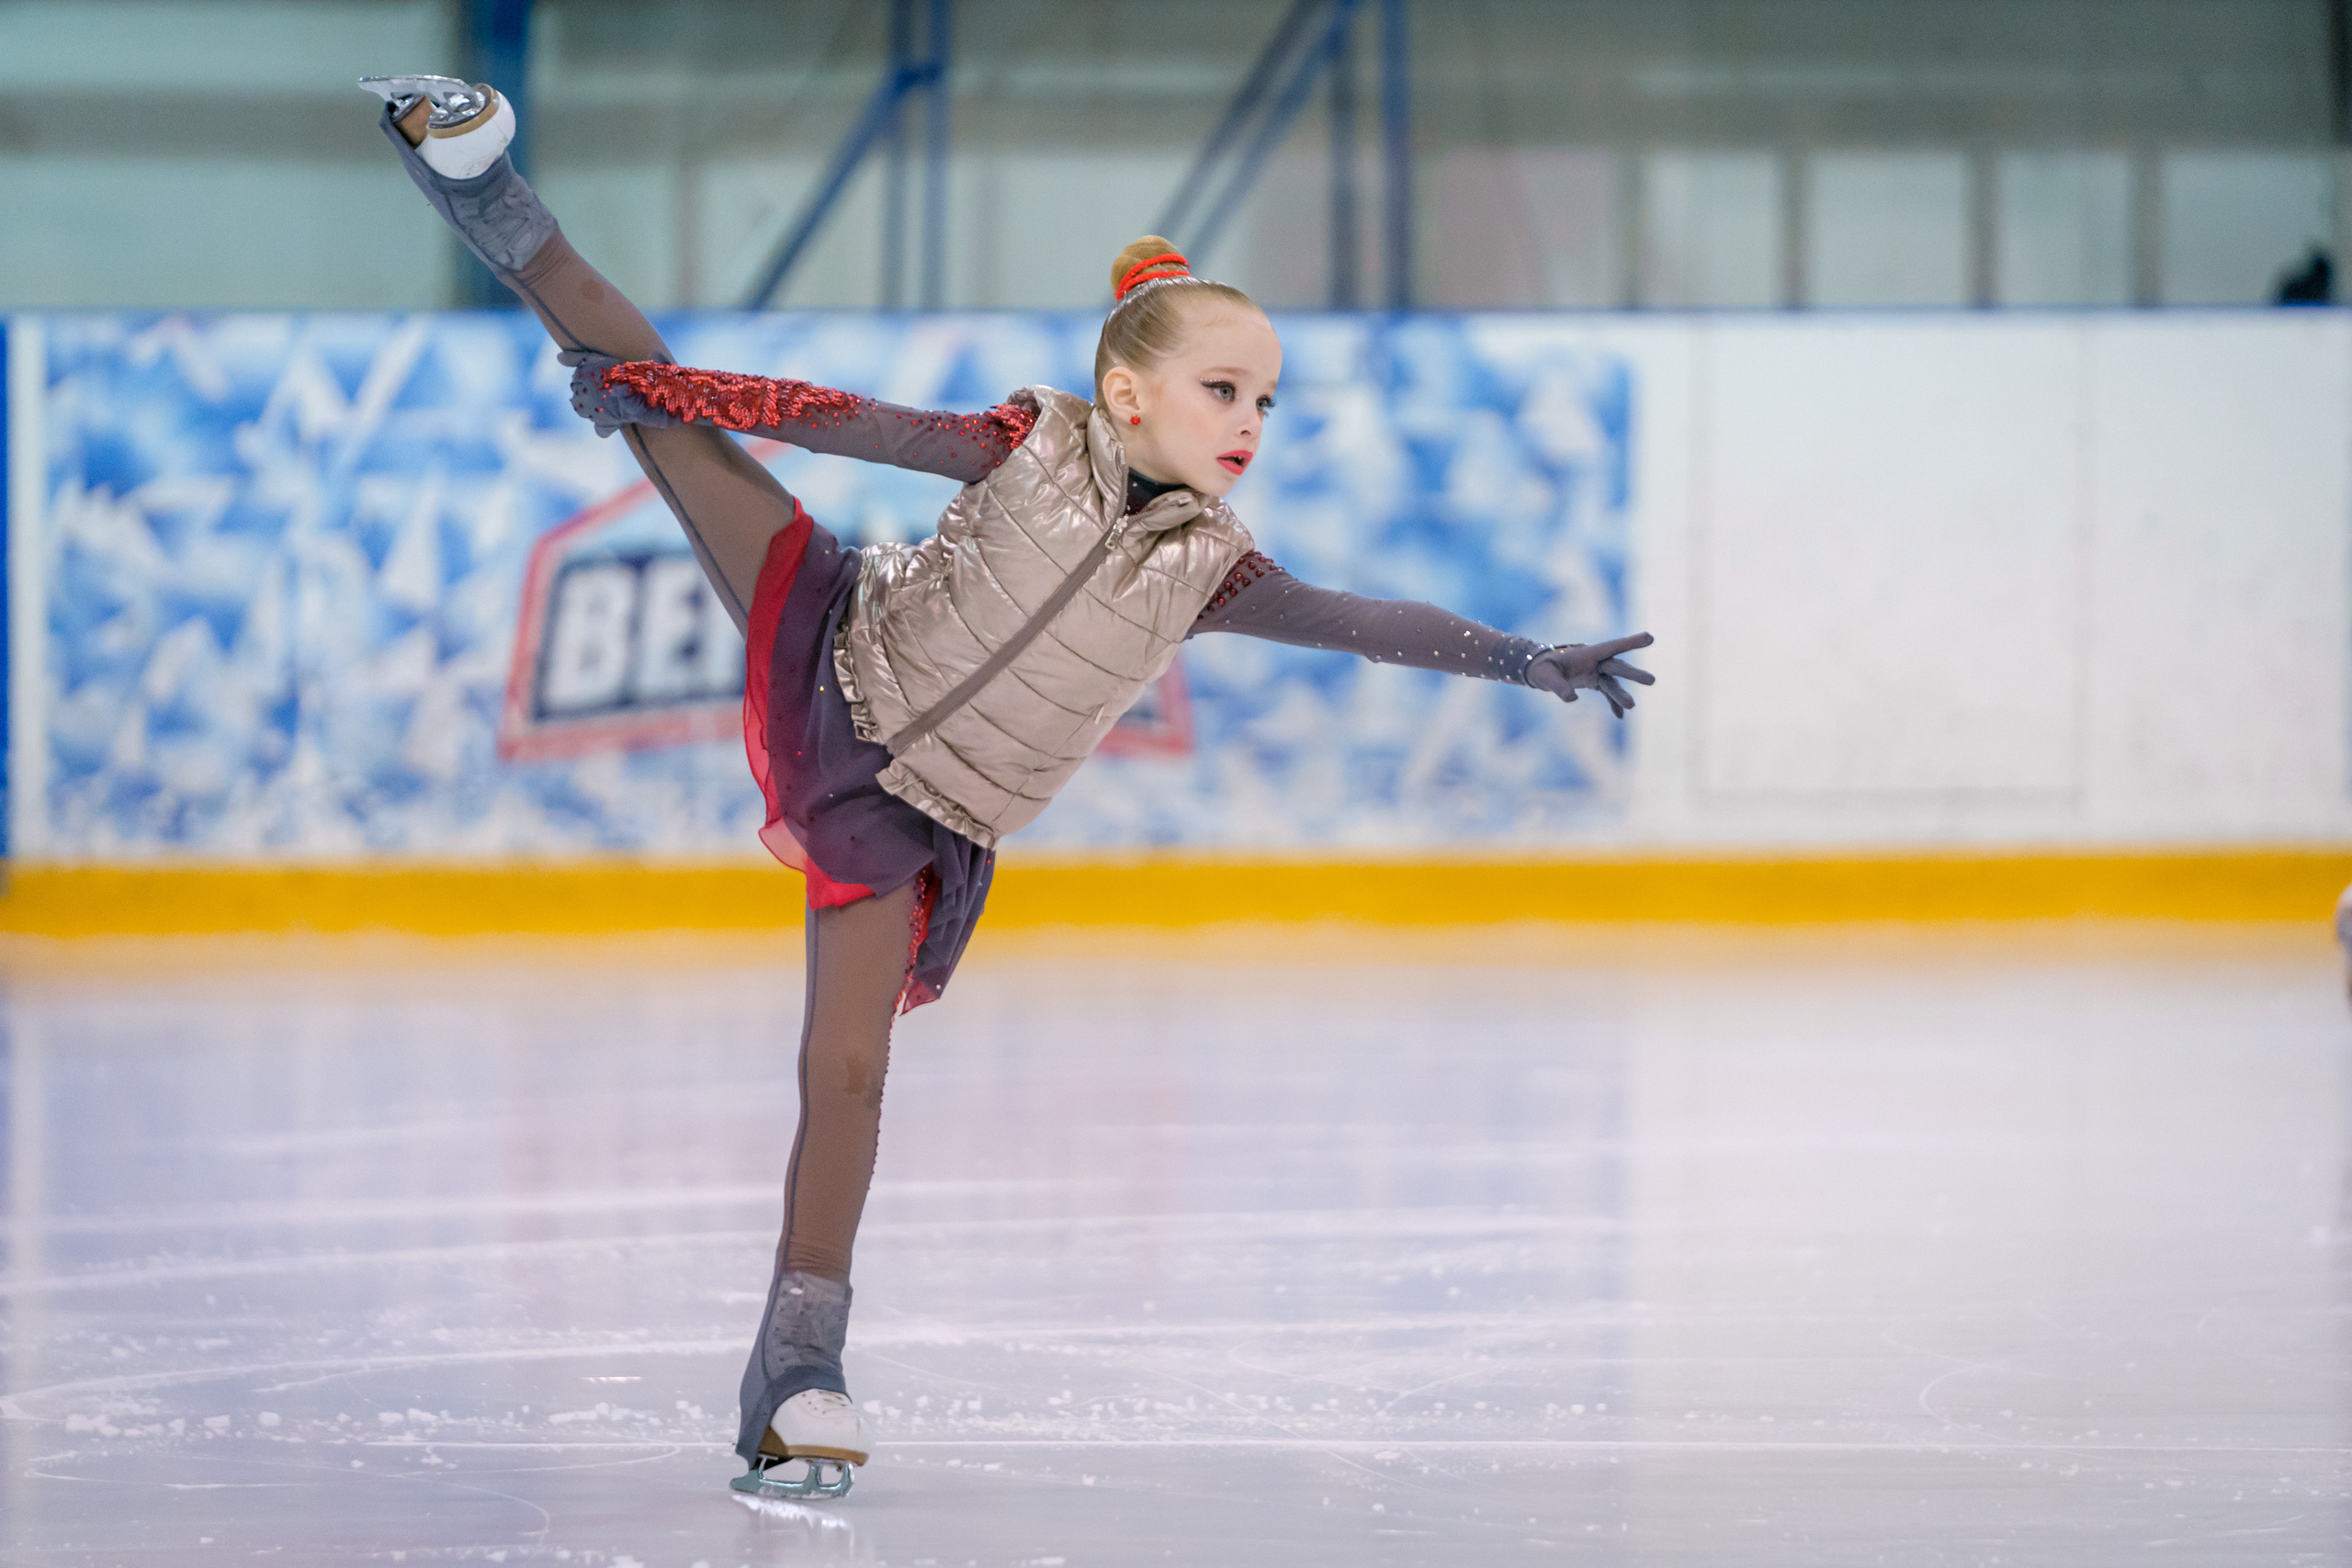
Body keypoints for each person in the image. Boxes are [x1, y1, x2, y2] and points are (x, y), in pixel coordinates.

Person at [360, 73, 1657, 1502]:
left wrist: (1527, 657)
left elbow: (1366, 620)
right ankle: (473, 171)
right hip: (840, 637)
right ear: (1126, 391)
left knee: (848, 1070)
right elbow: (843, 422)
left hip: (912, 811)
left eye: (1267, 401)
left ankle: (796, 1373)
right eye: (1224, 389)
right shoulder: (1024, 446)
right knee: (670, 435)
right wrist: (676, 394)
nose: (1250, 422)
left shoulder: (1213, 571)